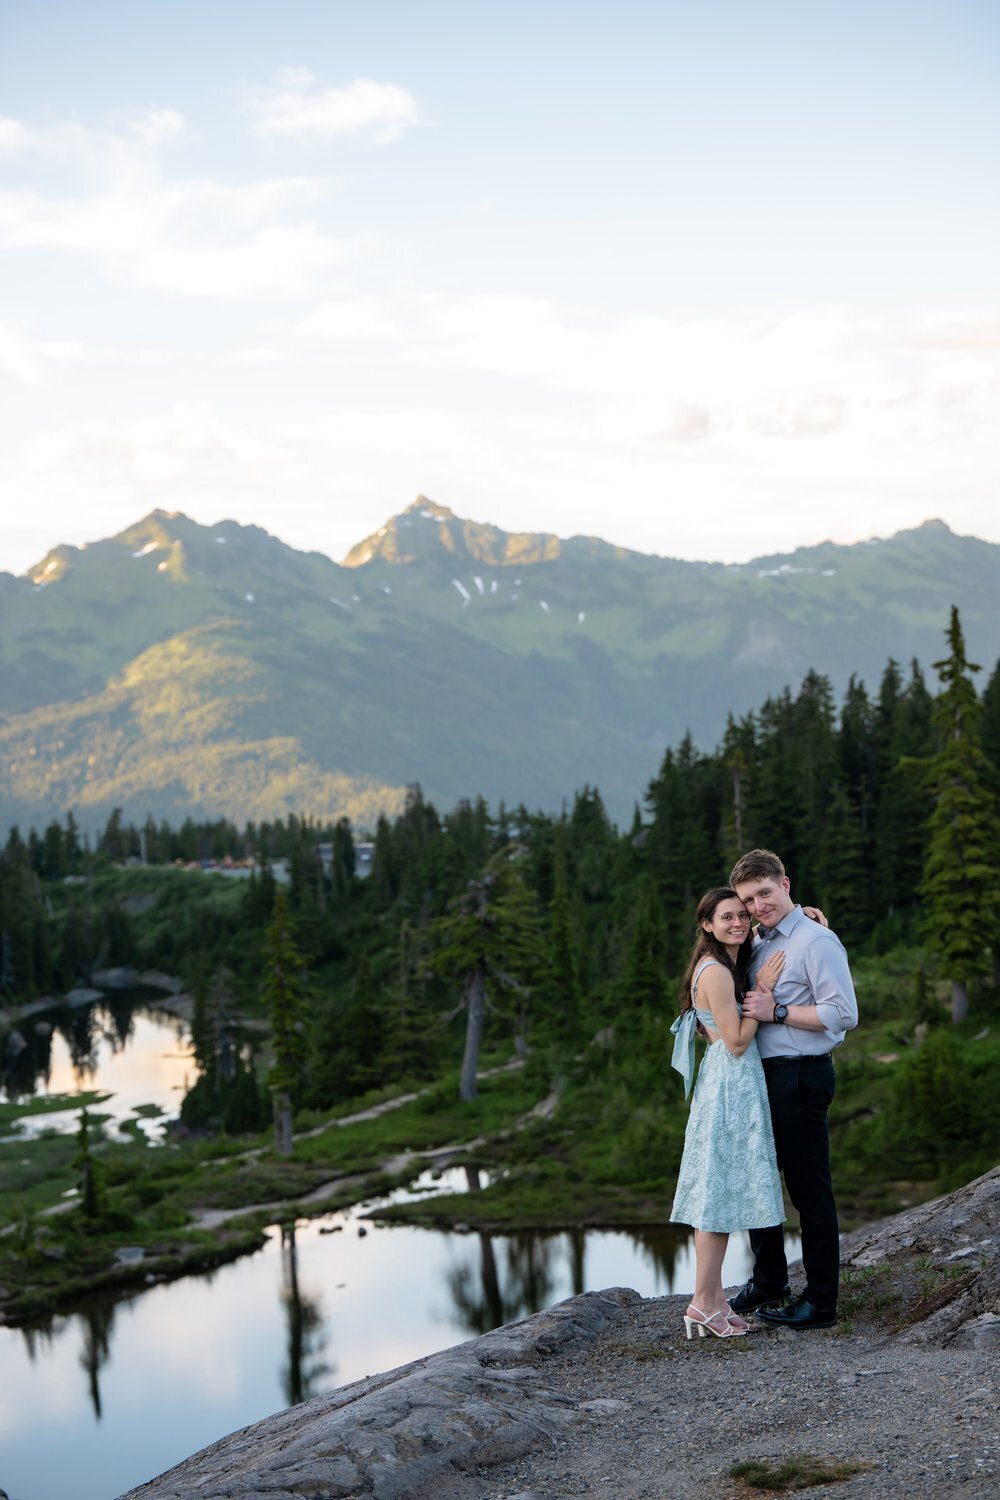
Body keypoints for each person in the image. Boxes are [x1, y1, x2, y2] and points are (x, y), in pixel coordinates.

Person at [728, 848, 858, 1331]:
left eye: (765, 893)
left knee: (808, 1191)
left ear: (785, 884)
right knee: (758, 1180)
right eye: (749, 899)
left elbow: (843, 1014)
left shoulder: (815, 941)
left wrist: (777, 1012)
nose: (758, 905)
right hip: (763, 1076)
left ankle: (821, 1302)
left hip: (800, 1073)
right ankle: (768, 1280)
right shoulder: (760, 938)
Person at [669, 887, 786, 1339]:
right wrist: (762, 993)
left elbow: (764, 923)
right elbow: (736, 1043)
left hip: (733, 1081)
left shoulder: (724, 960)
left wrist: (810, 913)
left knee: (719, 1191)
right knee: (715, 1197)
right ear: (707, 925)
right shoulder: (716, 972)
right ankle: (702, 1302)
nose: (739, 923)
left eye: (743, 916)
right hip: (729, 1084)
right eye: (727, 918)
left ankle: (714, 1300)